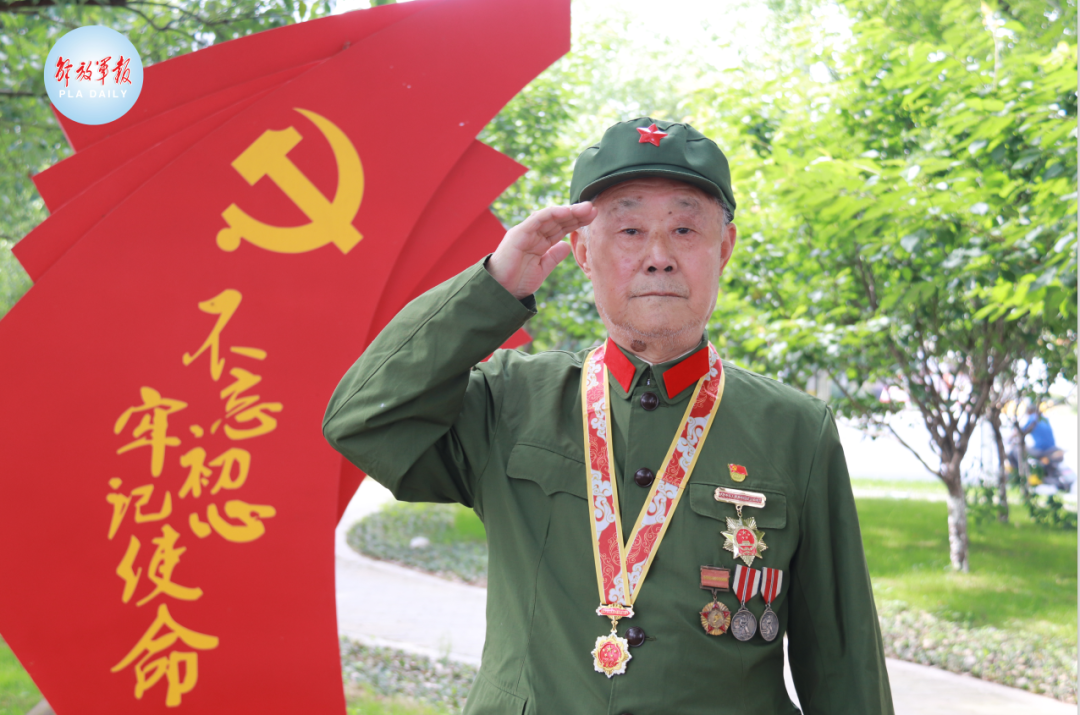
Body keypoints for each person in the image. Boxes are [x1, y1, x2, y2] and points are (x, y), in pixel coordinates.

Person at [323, 117, 893, 715]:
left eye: (684, 229)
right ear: (581, 252)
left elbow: (844, 664)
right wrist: (492, 289)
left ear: (723, 248)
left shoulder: (795, 430)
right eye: (629, 230)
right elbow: (361, 420)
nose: (658, 257)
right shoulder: (510, 400)